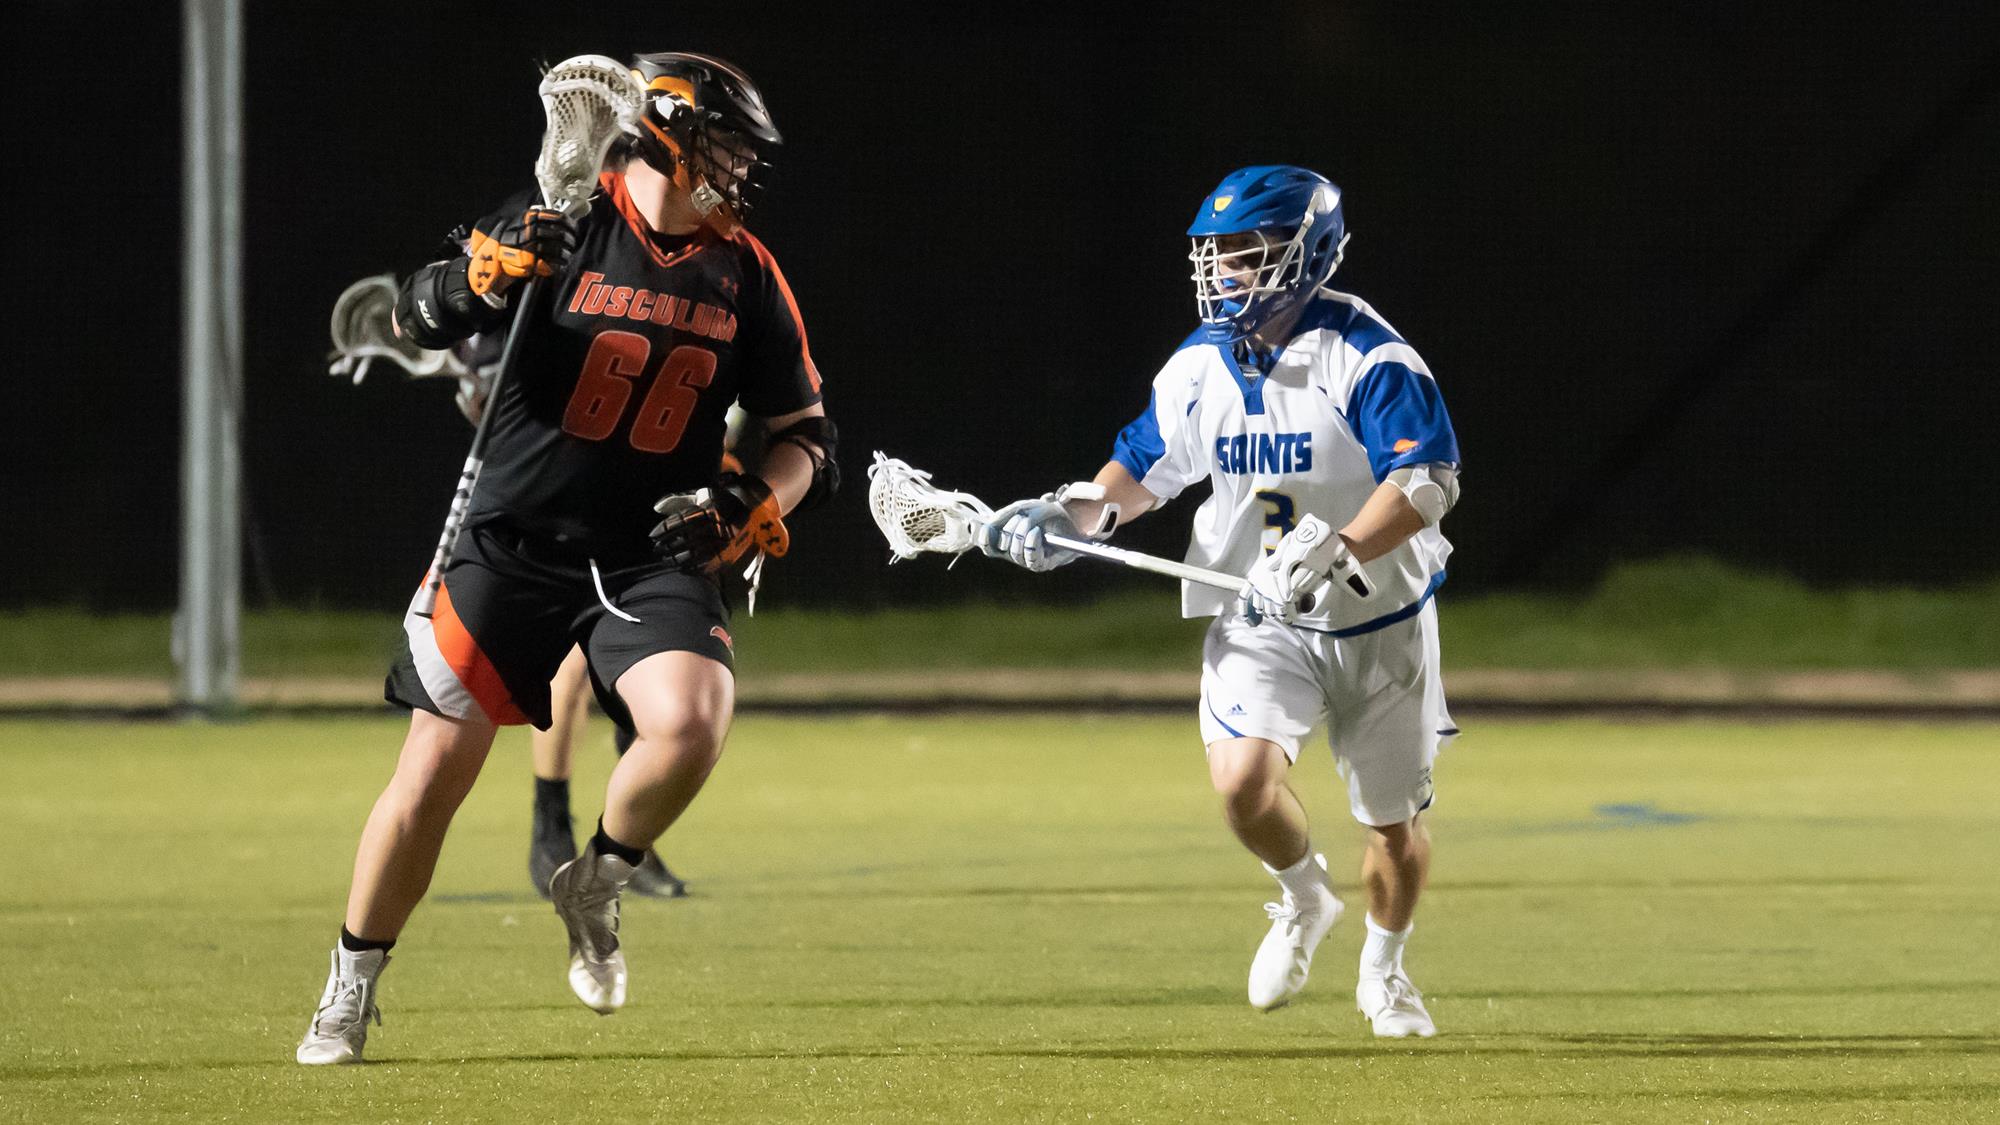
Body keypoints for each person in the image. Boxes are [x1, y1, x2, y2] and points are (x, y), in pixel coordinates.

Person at [298, 51, 837, 1065]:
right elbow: (426, 310)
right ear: (666, 133)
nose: (737, 172)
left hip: (649, 548)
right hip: (514, 543)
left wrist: (751, 497)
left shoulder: (746, 269)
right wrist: (476, 275)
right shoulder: (560, 224)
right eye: (722, 147)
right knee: (429, 781)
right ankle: (350, 981)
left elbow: (807, 433)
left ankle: (596, 876)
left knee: (690, 722)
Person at [980, 166, 1460, 1038]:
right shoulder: (1199, 363)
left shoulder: (1368, 354)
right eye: (1220, 253)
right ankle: (1303, 897)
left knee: (1391, 825)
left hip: (1377, 620)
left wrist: (1341, 547)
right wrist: (1073, 512)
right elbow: (1140, 471)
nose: (1228, 271)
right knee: (1243, 782)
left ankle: (1386, 973)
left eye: (1249, 253)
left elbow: (1426, 483)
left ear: (1308, 252)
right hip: (1260, 613)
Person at [328, 275, 688, 901]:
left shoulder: (693, 293)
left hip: (635, 506)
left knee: (660, 683)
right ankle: (552, 827)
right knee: (570, 669)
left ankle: (630, 840)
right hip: (549, 509)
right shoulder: (549, 281)